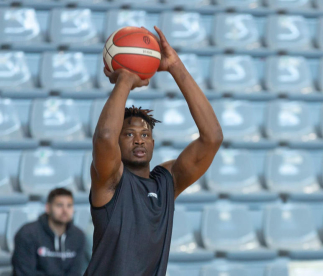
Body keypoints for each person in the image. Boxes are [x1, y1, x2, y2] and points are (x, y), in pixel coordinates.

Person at [83, 26, 223, 276]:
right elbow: (104, 136)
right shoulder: (109, 180)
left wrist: (175, 66)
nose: (139, 141)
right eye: (129, 134)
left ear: (153, 143)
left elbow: (212, 138)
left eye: (145, 135)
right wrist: (125, 78)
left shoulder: (166, 183)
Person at [12, 188, 86, 276]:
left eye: (69, 205)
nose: (65, 210)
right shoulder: (27, 233)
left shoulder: (78, 236)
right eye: (59, 205)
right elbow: (24, 272)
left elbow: (75, 272)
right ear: (48, 208)